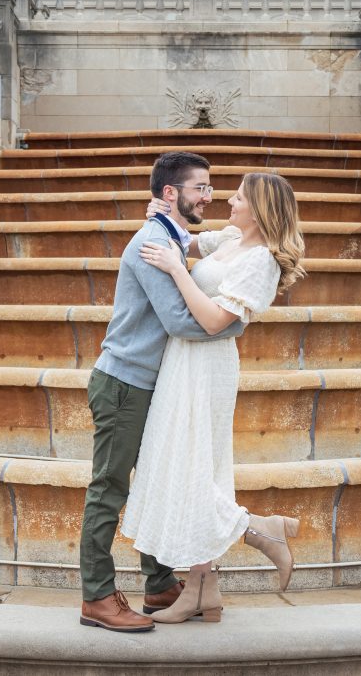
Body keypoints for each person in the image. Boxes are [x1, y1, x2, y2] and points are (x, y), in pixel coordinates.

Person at [120, 172, 307, 624]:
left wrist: (176, 269)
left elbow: (211, 321)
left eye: (238, 196)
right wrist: (161, 218)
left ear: (260, 207)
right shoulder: (229, 239)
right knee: (190, 466)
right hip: (182, 361)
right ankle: (202, 590)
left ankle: (260, 530)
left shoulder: (260, 261)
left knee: (193, 466)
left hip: (208, 363)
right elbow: (185, 241)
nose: (228, 199)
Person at [78, 152, 246, 633]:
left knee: (157, 476)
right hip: (124, 384)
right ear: (171, 193)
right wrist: (235, 324)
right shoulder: (152, 243)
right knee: (109, 488)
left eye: (212, 188)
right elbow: (178, 322)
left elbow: (212, 241)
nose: (208, 196)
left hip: (152, 383)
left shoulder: (172, 235)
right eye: (199, 188)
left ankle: (158, 582)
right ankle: (96, 596)